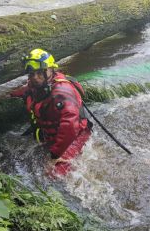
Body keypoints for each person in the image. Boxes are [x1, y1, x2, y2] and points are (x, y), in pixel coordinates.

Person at [10, 48, 92, 176]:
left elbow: (70, 126)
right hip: (51, 135)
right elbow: (25, 91)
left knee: (53, 174)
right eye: (32, 74)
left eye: (40, 73)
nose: (35, 78)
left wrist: (55, 155)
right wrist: (1, 97)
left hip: (74, 137)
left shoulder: (62, 93)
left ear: (51, 70)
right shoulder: (37, 85)